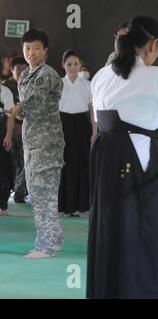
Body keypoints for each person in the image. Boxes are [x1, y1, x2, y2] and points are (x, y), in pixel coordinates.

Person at [87, 16, 158, 298]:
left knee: (110, 225)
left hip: (103, 153)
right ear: (153, 43)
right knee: (143, 228)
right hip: (135, 155)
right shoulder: (155, 76)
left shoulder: (101, 75)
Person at [7, 29, 65, 259]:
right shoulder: (25, 76)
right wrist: (18, 112)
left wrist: (18, 109)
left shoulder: (46, 74)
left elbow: (33, 102)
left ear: (46, 52)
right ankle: (52, 238)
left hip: (47, 144)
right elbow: (26, 112)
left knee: (44, 195)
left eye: (36, 48)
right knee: (36, 194)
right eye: (27, 48)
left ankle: (46, 245)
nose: (31, 53)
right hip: (32, 143)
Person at [58, 50, 96, 217]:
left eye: (75, 64)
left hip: (82, 125)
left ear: (80, 65)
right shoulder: (58, 83)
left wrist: (94, 132)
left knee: (82, 165)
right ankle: (63, 207)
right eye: (69, 64)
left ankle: (82, 207)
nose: (73, 67)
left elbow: (92, 110)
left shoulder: (88, 85)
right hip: (62, 125)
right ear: (63, 66)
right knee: (63, 165)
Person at [4, 57, 28, 203]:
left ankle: (19, 193)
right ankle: (6, 191)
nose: (21, 71)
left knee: (24, 162)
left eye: (23, 68)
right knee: (9, 162)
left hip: (26, 128)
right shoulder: (6, 87)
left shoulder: (30, 85)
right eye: (17, 68)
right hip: (8, 128)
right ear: (12, 70)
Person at [0, 83, 15, 216]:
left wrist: (8, 135)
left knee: (2, 169)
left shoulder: (4, 91)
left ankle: (3, 205)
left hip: (1, 131)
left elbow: (10, 115)